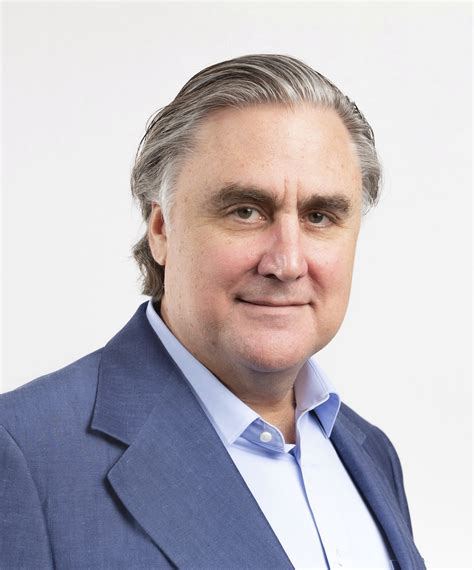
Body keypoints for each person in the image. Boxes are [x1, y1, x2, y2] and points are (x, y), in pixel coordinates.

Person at [0, 54, 425, 569]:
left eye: (319, 216)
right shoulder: (24, 455)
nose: (287, 262)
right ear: (161, 230)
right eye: (246, 211)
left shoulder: (371, 453)